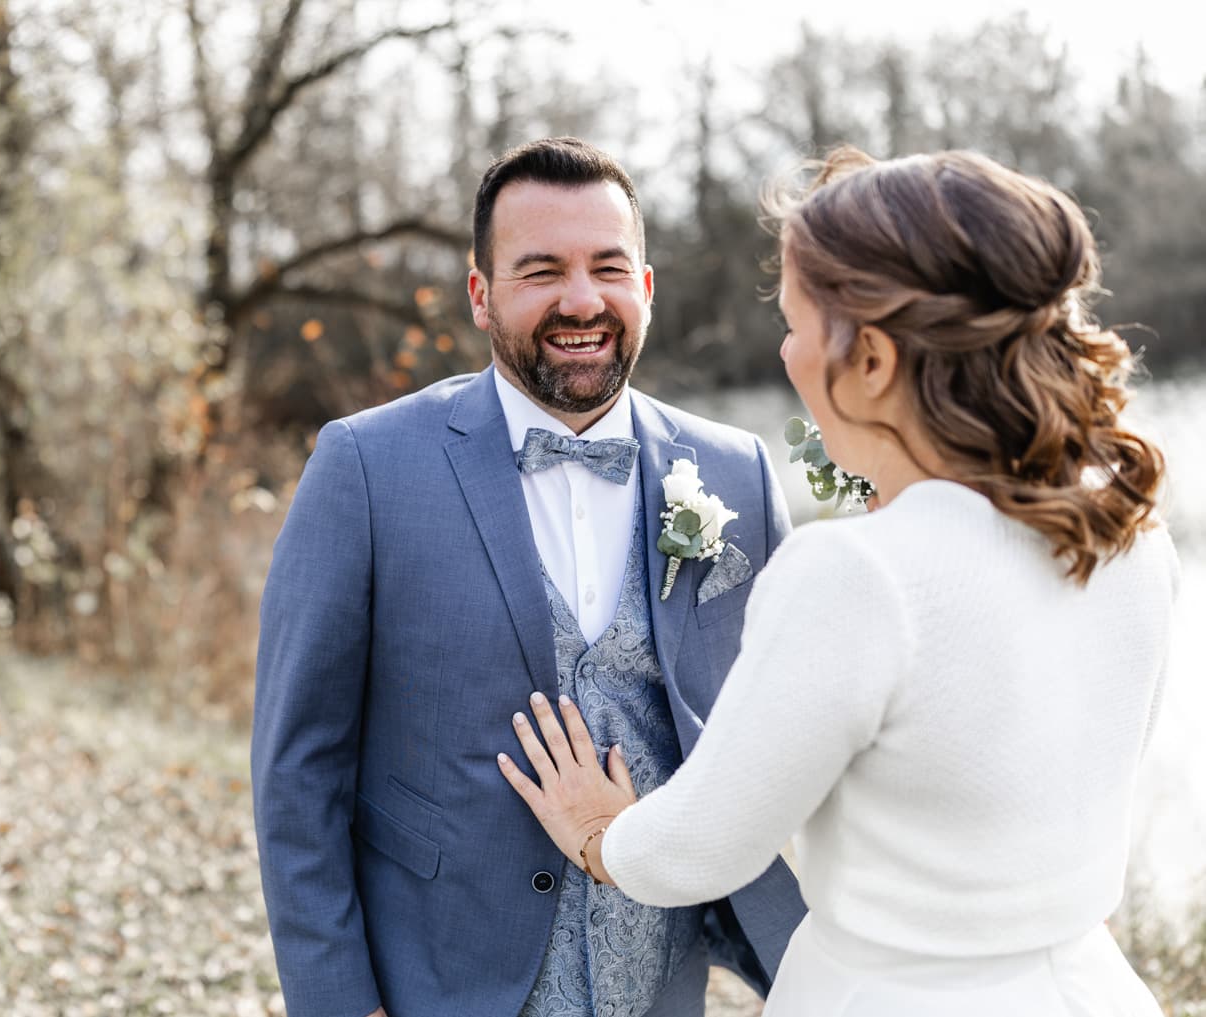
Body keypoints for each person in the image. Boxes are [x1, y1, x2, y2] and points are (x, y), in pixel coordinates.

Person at [500, 146, 1180, 1016]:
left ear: (872, 363)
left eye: (794, 324)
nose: (785, 355)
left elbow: (705, 846)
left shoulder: (857, 575)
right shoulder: (1130, 533)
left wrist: (602, 834)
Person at [252, 137, 807, 1017]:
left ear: (646, 288)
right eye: (540, 270)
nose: (580, 299)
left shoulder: (735, 471)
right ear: (480, 294)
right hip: (440, 988)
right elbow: (297, 770)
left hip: (665, 989)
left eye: (607, 267)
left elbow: (781, 737)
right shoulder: (364, 467)